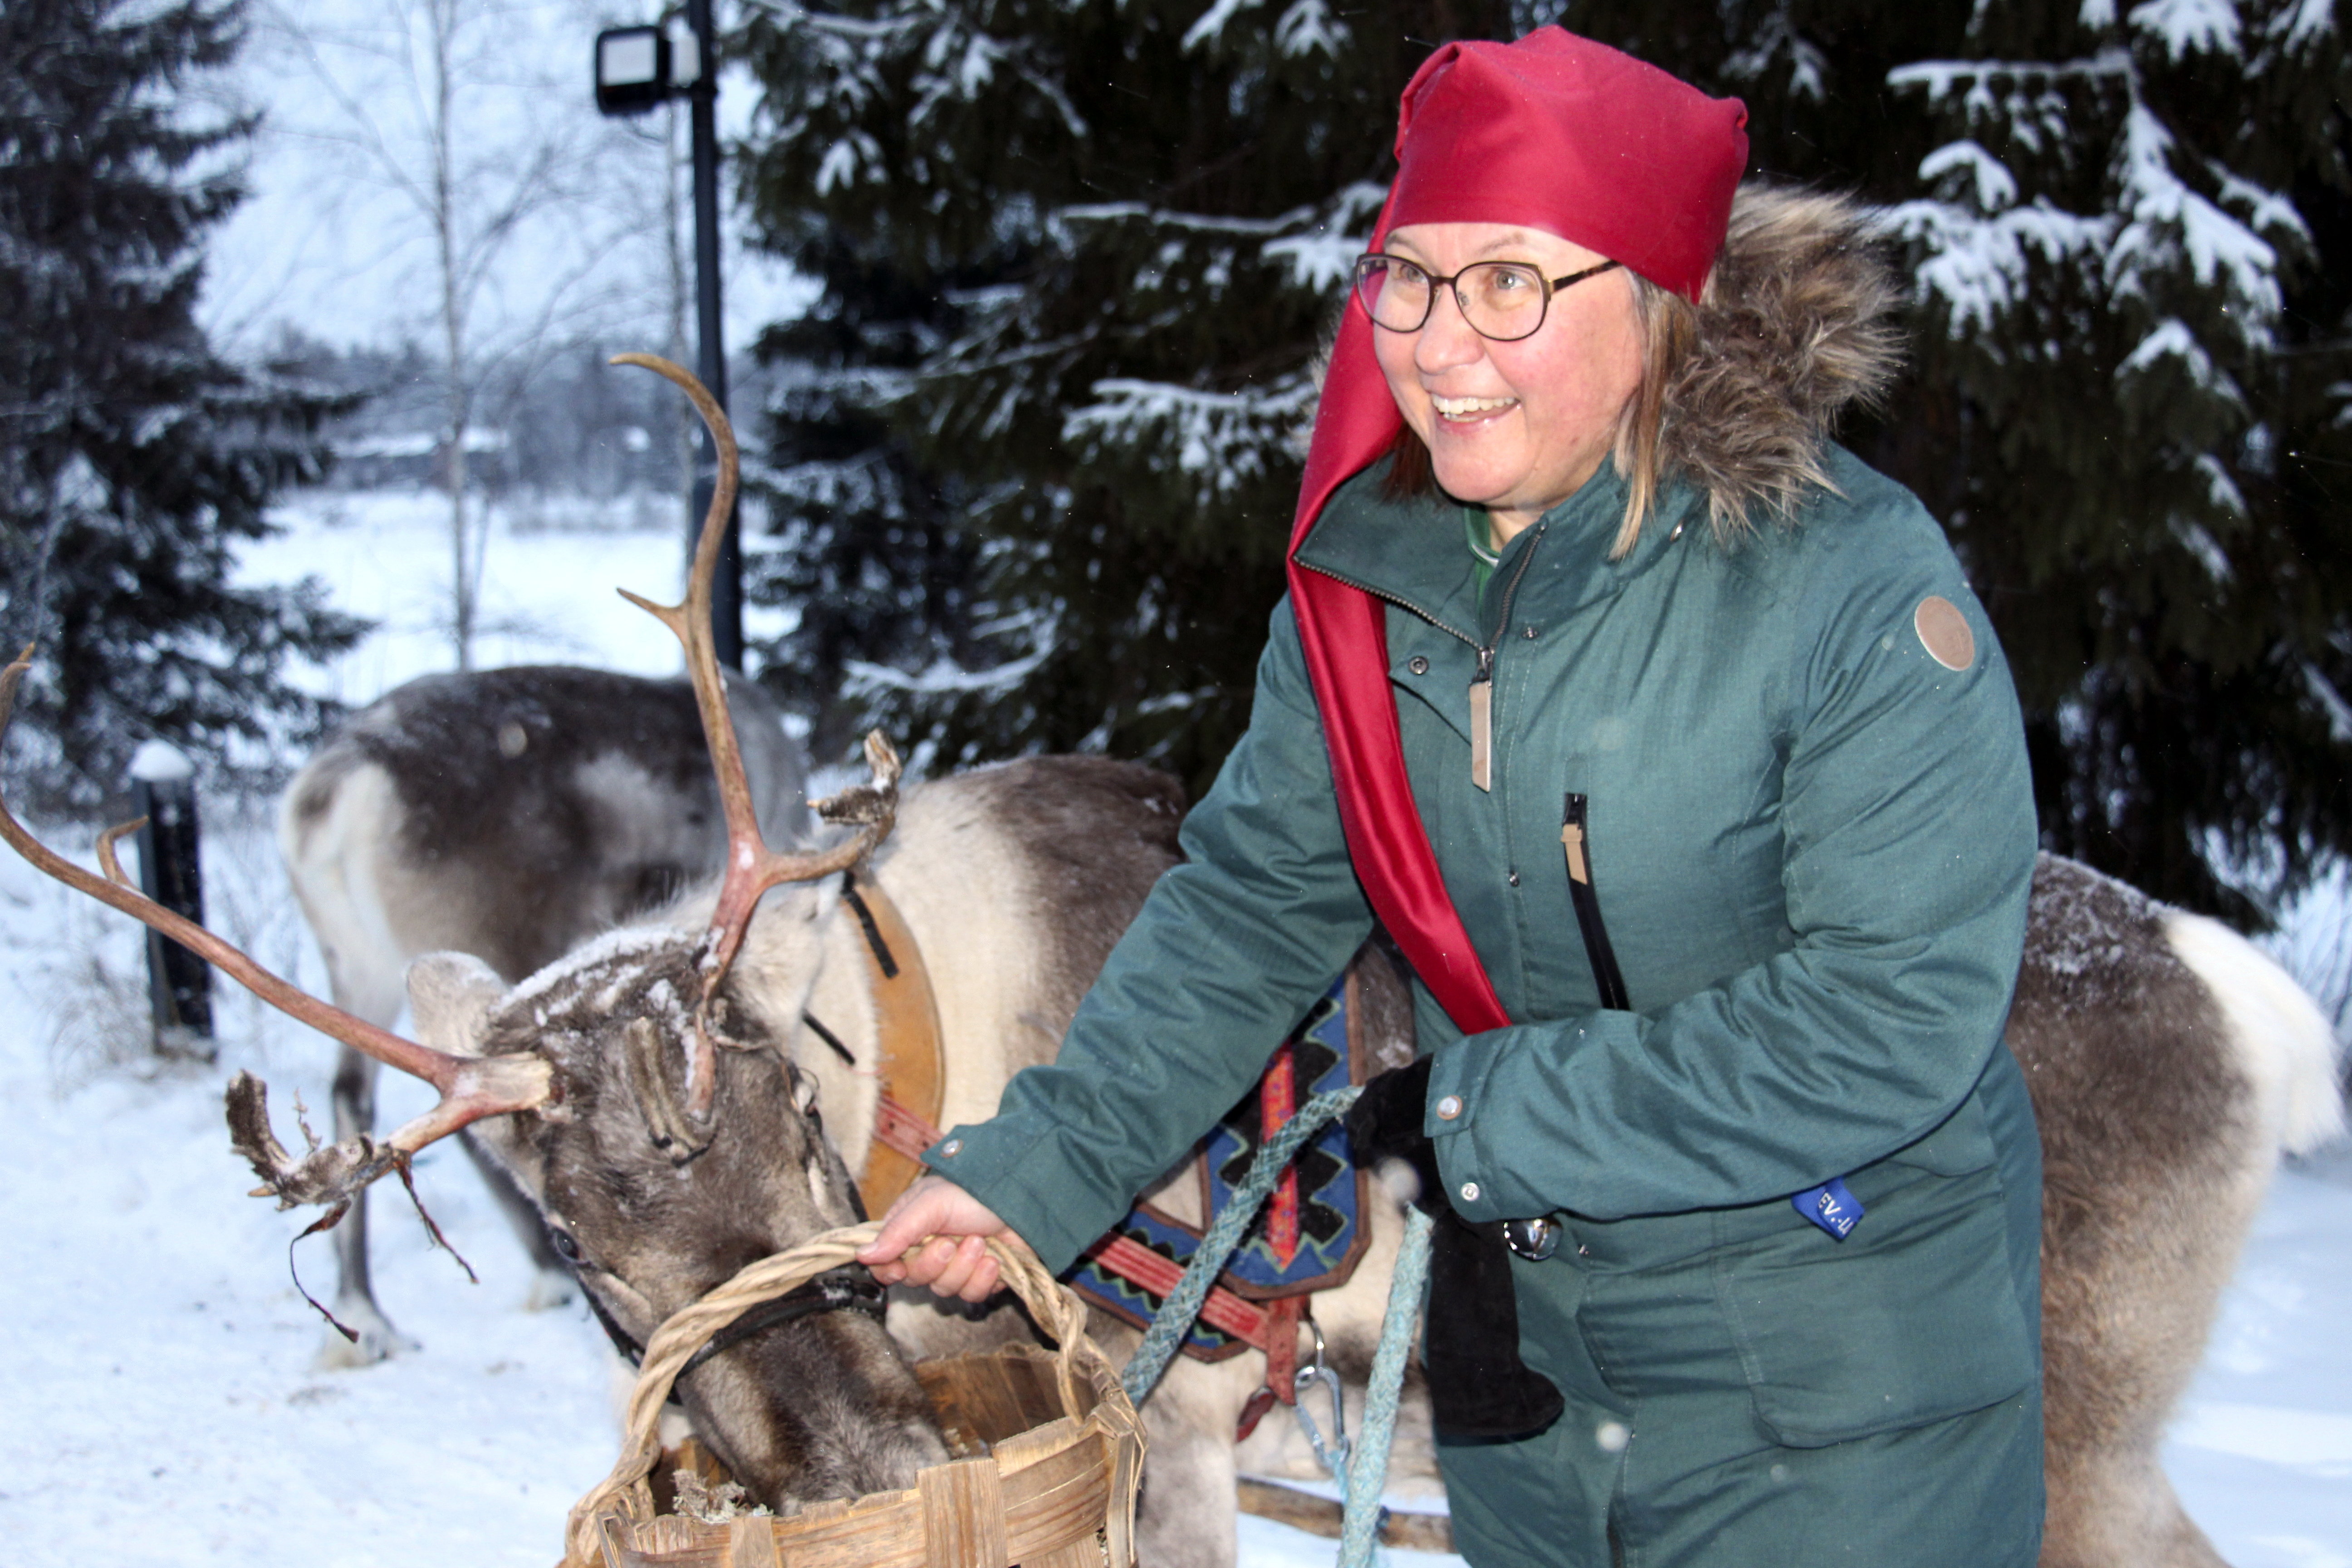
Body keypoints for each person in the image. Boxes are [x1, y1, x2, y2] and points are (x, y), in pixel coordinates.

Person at [858, 27, 2043, 1568]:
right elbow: (1251, 906)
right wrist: (1031, 1177)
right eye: (1408, 275)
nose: (1436, 342)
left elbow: (1885, 1021)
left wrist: (1481, 1111)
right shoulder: (1373, 587)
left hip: (1834, 1378)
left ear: (1659, 297)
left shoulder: (1850, 593)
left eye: (1510, 281)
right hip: (1530, 1369)